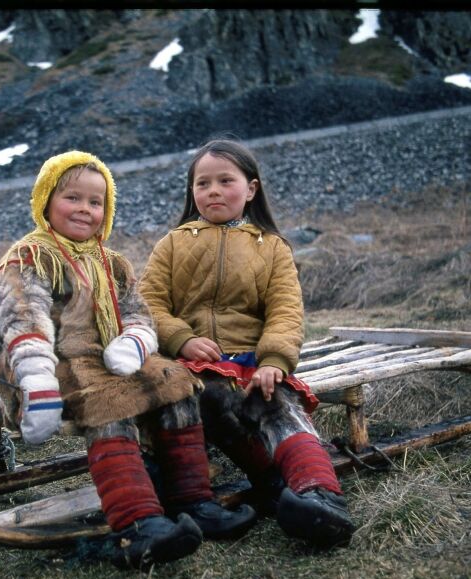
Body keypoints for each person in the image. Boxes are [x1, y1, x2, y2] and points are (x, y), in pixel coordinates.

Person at [0, 150, 256, 571]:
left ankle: (195, 501)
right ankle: (137, 523)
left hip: (110, 359)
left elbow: (137, 309)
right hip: (53, 365)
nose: (85, 210)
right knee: (110, 404)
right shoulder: (30, 258)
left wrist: (136, 339)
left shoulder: (112, 263)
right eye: (73, 198)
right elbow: (20, 314)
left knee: (176, 384)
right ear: (46, 199)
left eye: (96, 202)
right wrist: (35, 375)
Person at [139, 139, 356, 548]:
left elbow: (285, 311)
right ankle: (202, 504)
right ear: (192, 192)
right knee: (195, 400)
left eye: (226, 180)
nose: (213, 191)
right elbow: (148, 304)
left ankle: (321, 497)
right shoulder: (172, 244)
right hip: (190, 365)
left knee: (277, 406)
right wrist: (181, 339)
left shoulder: (271, 247)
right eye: (202, 183)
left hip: (251, 361)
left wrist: (274, 360)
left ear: (251, 189)